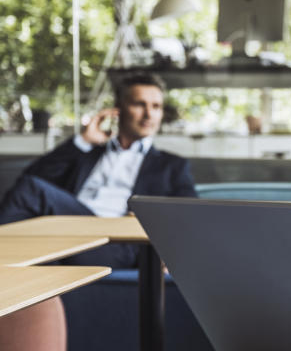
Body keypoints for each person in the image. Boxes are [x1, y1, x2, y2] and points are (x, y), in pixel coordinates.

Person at [0, 73, 197, 267]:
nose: (149, 114)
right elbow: (32, 179)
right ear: (118, 109)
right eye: (139, 104)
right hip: (68, 229)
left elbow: (192, 214)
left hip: (116, 244)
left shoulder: (171, 165)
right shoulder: (88, 152)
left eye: (156, 106)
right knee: (31, 196)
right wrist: (82, 141)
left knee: (33, 198)